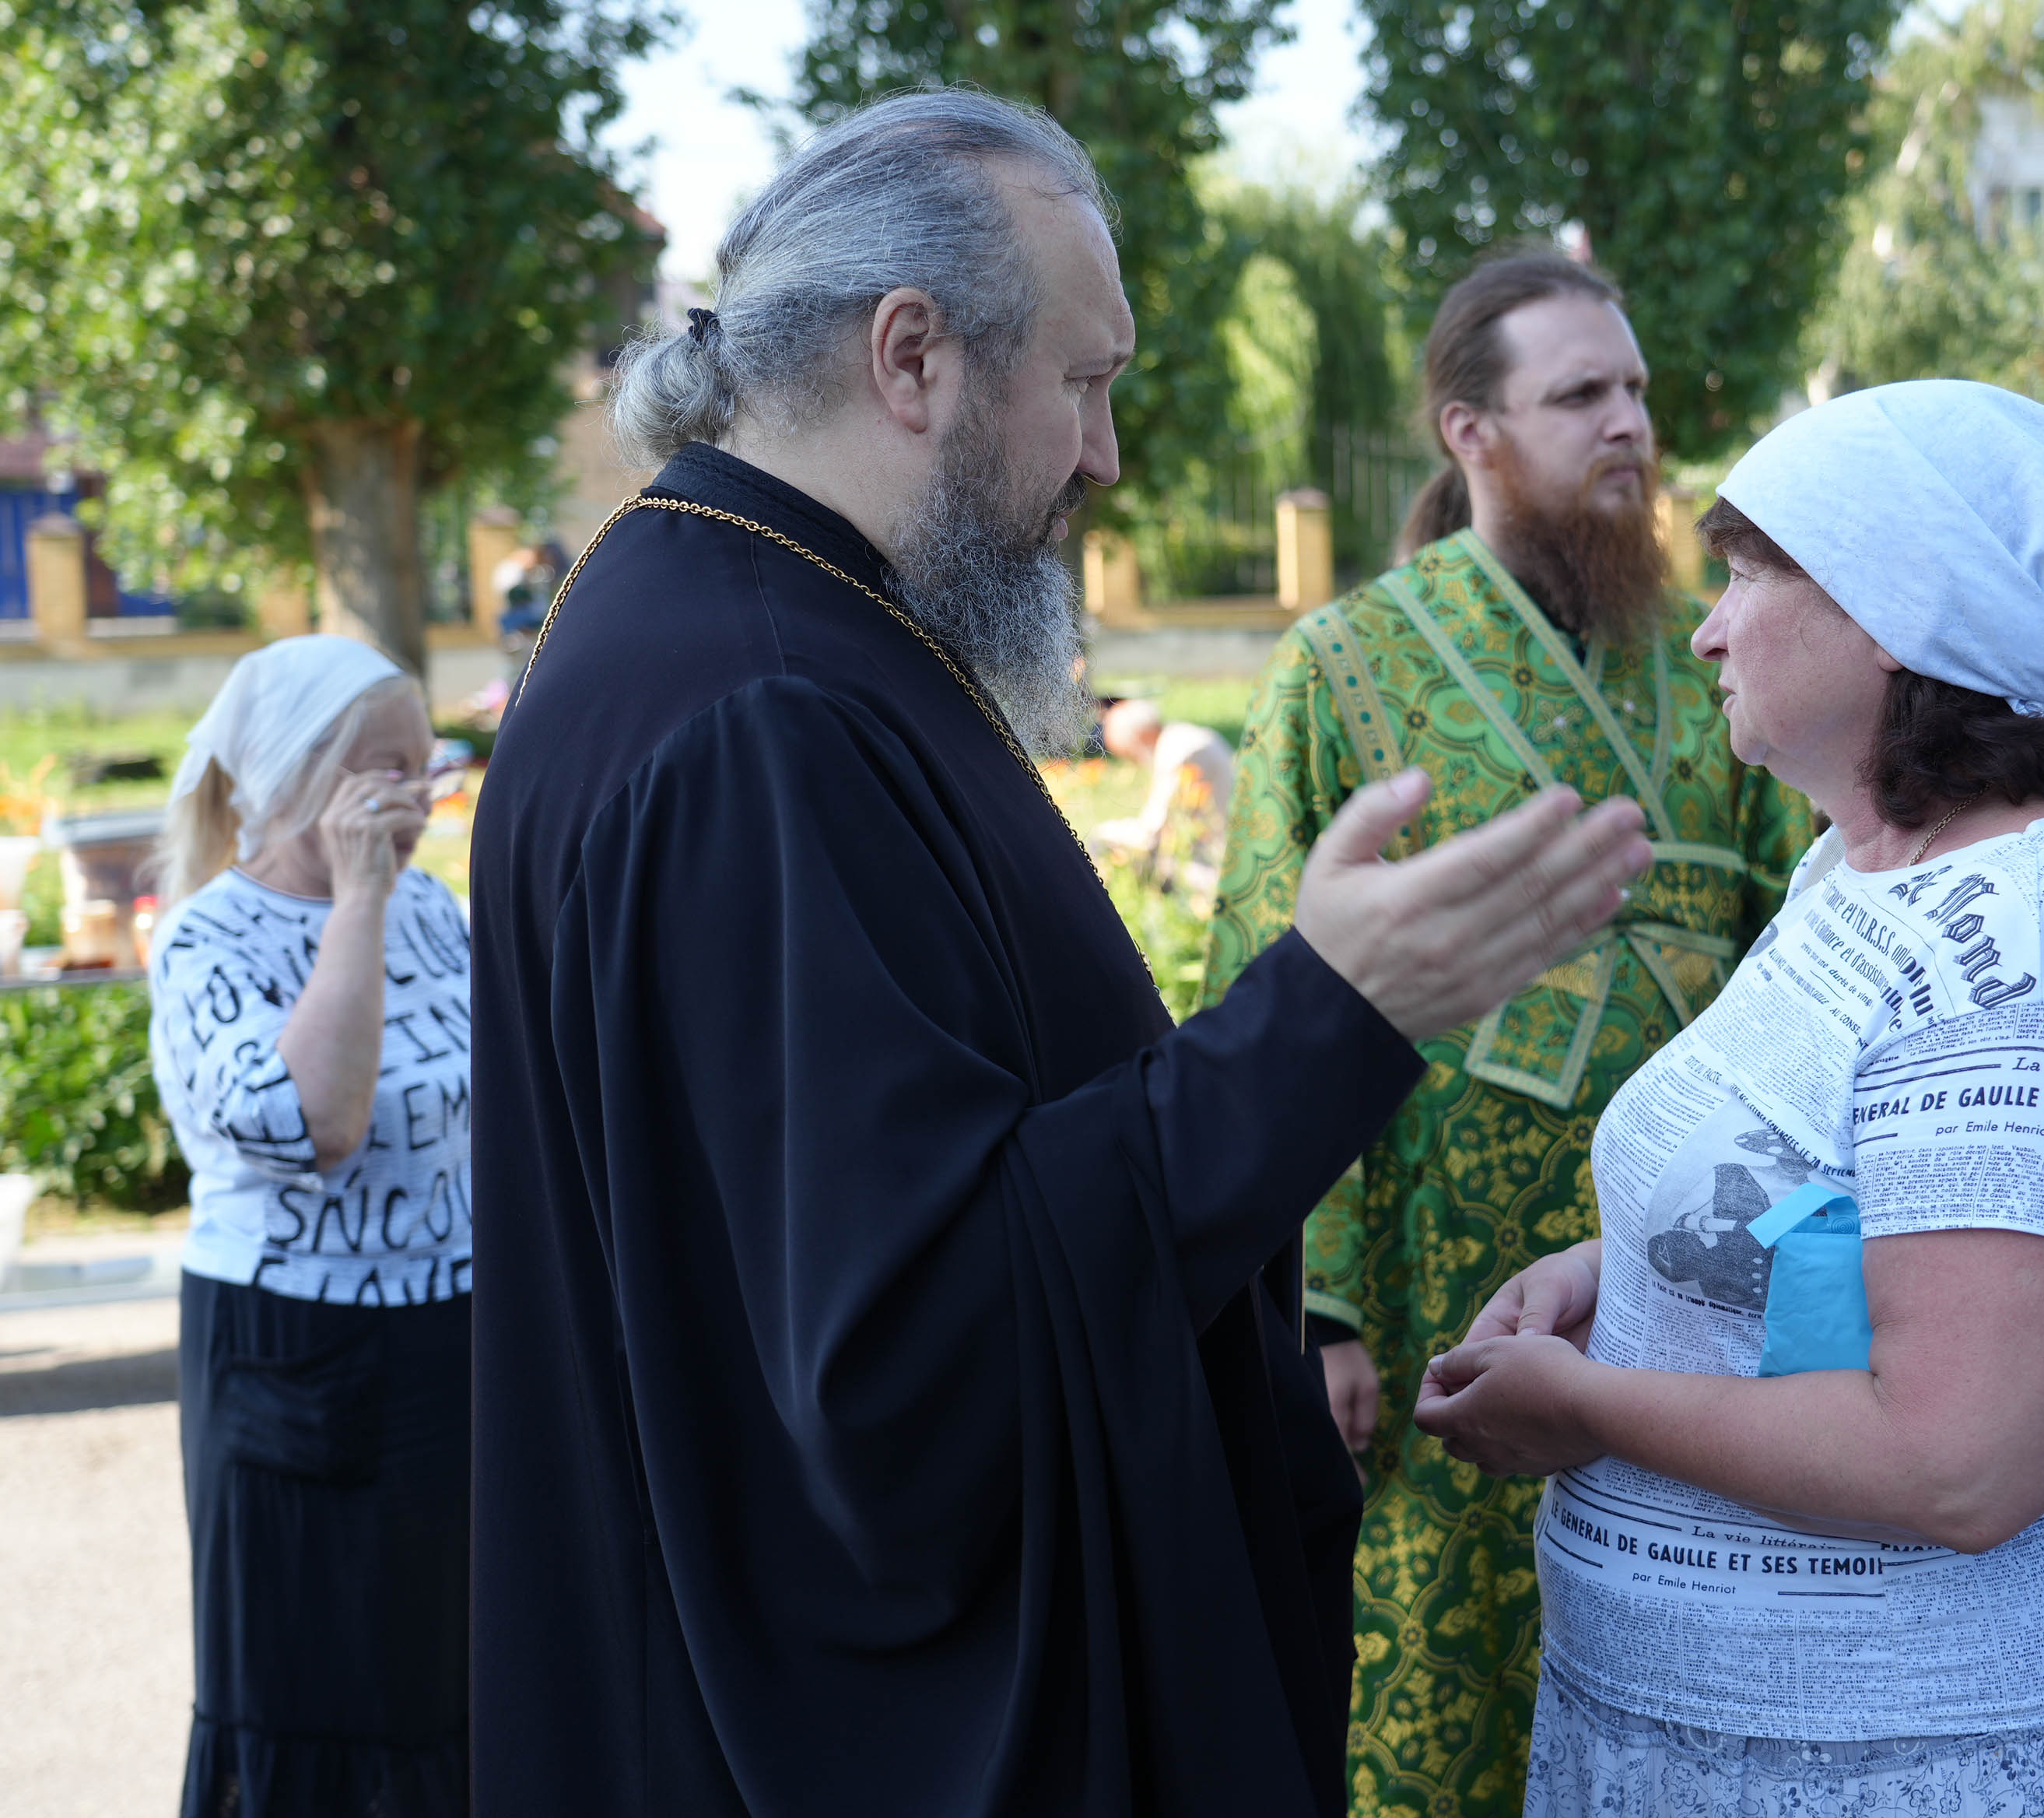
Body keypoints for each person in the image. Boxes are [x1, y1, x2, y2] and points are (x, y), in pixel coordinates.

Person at [466, 90, 1653, 1818]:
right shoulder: (765, 711)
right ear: (912, 357)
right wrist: (1323, 1023)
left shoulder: (723, 611)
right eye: (1085, 383)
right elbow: (910, 1352)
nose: (1103, 457)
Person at [1413, 380, 2044, 1815]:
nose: (1709, 628)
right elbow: (1842, 1208)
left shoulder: (2013, 953)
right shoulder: (1860, 865)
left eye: (1748, 575)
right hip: (1728, 1740)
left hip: (1905, 1760)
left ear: (1896, 608)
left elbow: (1959, 1461)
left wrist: (1588, 1403)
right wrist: (1625, 1268)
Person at [1203, 251, 1814, 1818]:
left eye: (1638, 391)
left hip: (1687, 1259)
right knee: (1443, 1670)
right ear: (1469, 432)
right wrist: (1317, 1307)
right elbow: (1271, 980)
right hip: (1436, 1274)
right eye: (1581, 394)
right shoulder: (1342, 668)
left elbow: (1797, 948)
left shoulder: (1716, 653)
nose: (1630, 425)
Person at [146, 635, 469, 1814]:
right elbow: (315, 1120)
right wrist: (359, 899)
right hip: (293, 1355)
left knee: (439, 1678)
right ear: (295, 779)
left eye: (425, 768)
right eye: (386, 769)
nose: (416, 798)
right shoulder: (206, 940)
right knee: (313, 1683)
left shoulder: (433, 907)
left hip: (447, 1341)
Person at [1090, 696, 1233, 895]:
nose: (1136, 762)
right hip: (1209, 849)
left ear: (1140, 737)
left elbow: (1151, 834)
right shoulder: (1181, 738)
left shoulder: (1181, 753)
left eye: (1131, 755)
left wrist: (1102, 834)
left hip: (1213, 864)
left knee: (1102, 843)